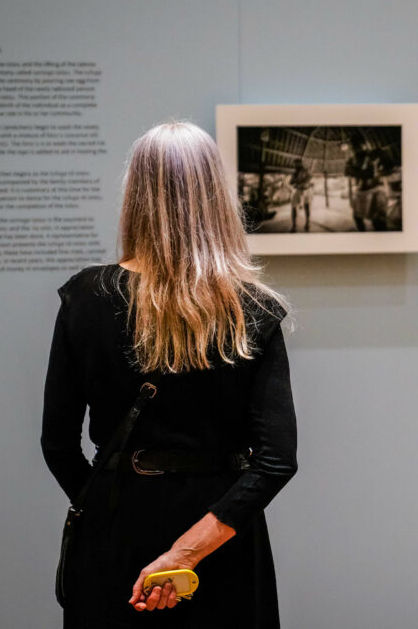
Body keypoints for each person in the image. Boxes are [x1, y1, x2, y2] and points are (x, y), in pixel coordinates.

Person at [42, 121, 297, 627]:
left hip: (114, 525)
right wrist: (186, 554)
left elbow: (58, 443)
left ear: (135, 192)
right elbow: (274, 461)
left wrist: (105, 514)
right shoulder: (251, 306)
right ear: (214, 193)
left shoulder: (86, 297)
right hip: (219, 538)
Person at [343, 133, 388, 231]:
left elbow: (369, 173)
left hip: (376, 191)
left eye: (357, 145)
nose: (355, 148)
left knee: (378, 221)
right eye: (353, 146)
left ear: (364, 144)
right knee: (357, 217)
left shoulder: (373, 154)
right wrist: (356, 170)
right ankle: (363, 237)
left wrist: (357, 170)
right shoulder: (352, 160)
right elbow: (346, 172)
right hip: (361, 192)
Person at [287, 157, 313, 232]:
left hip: (306, 190)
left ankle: (307, 223)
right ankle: (294, 226)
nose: (296, 165)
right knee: (293, 207)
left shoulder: (306, 171)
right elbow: (290, 182)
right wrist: (294, 182)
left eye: (297, 163)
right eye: (295, 164)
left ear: (300, 163)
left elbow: (309, 178)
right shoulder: (294, 173)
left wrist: (299, 182)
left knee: (307, 206)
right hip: (297, 190)